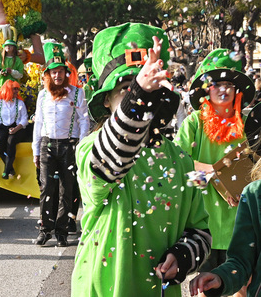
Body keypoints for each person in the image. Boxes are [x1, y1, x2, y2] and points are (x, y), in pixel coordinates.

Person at [71, 22, 212, 297]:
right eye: (125, 88)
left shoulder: (180, 160)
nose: (143, 97)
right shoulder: (90, 148)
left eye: (151, 89)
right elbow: (114, 159)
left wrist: (182, 256)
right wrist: (139, 93)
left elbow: (201, 232)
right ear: (108, 101)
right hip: (101, 290)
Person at [175, 49, 255, 279]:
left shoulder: (250, 122)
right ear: (207, 90)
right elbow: (180, 168)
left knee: (241, 286)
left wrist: (242, 187)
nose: (223, 89)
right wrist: (215, 174)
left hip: (241, 223)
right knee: (204, 286)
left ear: (236, 89)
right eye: (216, 83)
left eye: (229, 84)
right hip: (203, 222)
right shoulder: (193, 123)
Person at [32, 41, 90, 247]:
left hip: (69, 146)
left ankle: (62, 230)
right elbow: (38, 123)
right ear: (48, 75)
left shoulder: (77, 93)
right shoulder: (42, 96)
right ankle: (45, 229)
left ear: (66, 74)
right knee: (47, 188)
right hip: (47, 145)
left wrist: (82, 145)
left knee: (68, 189)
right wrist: (35, 151)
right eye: (53, 72)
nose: (57, 76)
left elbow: (84, 120)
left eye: (60, 72)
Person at [190, 155, 261, 297]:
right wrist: (213, 171)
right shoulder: (254, 193)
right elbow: (184, 166)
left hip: (228, 233)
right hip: (211, 232)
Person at [0, 80, 28, 179]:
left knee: (11, 141)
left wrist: (16, 129)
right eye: (14, 89)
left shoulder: (20, 103)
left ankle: (6, 170)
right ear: (8, 90)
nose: (17, 91)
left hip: (18, 128)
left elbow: (24, 119)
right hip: (3, 128)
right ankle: (10, 167)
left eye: (18, 89)